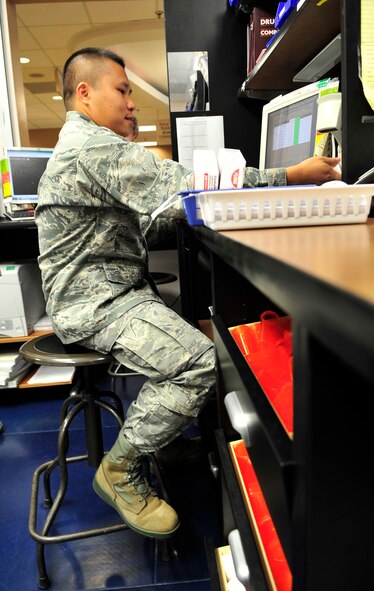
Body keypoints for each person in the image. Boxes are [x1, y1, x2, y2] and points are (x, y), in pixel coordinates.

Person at [35, 47, 341, 540]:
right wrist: (288, 177)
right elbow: (187, 186)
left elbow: (149, 213)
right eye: (123, 90)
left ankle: (162, 435)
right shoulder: (91, 148)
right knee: (198, 359)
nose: (131, 103)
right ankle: (121, 469)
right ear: (85, 93)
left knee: (195, 329)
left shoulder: (85, 146)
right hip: (93, 304)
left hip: (109, 292)